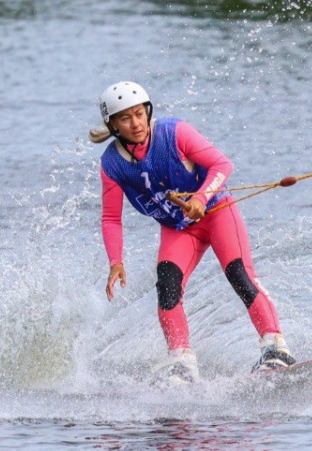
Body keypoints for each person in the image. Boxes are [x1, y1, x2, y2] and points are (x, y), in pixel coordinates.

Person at [91, 81, 294, 382]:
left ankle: (276, 348)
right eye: (125, 118)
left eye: (139, 114)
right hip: (179, 228)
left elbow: (222, 164)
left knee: (239, 273)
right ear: (113, 125)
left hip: (217, 212)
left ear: (147, 111)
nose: (136, 123)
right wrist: (115, 262)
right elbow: (110, 218)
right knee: (167, 288)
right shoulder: (112, 164)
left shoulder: (174, 133)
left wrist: (200, 197)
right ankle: (182, 363)